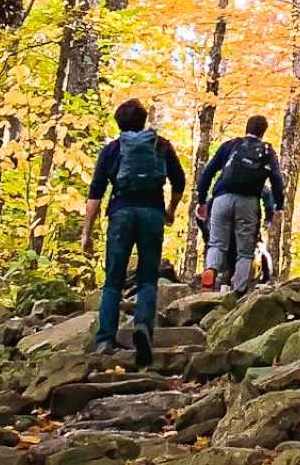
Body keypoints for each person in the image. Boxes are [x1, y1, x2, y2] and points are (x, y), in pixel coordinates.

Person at [82, 98, 186, 368]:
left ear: (119, 124)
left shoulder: (112, 149)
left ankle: (105, 339)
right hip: (152, 213)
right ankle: (142, 327)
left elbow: (95, 193)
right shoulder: (161, 145)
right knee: (148, 278)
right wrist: (171, 210)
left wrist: (87, 232)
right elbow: (179, 180)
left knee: (113, 281)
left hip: (121, 213)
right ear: (143, 121)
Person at [194, 115, 284, 292]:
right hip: (248, 203)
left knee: (217, 243)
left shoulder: (230, 145)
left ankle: (210, 272)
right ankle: (238, 291)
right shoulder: (267, 151)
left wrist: (202, 200)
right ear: (263, 132)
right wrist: (278, 207)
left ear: (247, 128)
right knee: (245, 251)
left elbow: (208, 172)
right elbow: (277, 180)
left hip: (221, 198)